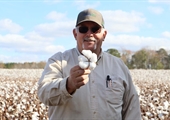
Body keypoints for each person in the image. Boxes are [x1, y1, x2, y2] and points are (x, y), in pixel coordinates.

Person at [37, 8, 141, 120]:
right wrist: (68, 84)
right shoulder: (58, 61)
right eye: (83, 29)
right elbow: (43, 94)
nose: (89, 34)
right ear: (75, 33)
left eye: (95, 29)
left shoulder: (118, 66)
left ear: (104, 34)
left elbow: (132, 108)